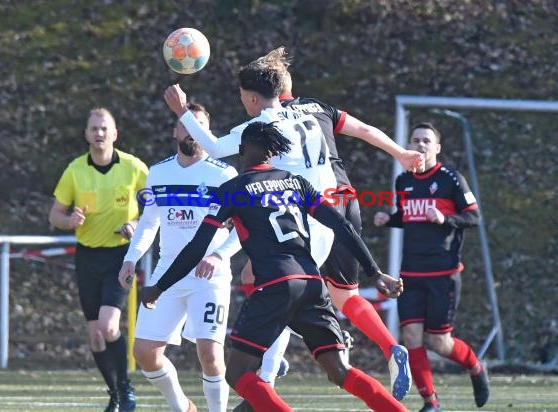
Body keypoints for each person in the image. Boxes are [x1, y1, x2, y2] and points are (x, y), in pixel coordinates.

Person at [140, 121, 408, 412]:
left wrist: (159, 286)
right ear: (273, 152)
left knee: (238, 372)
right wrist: (374, 271)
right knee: (339, 370)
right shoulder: (296, 182)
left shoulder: (234, 189)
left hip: (276, 285)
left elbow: (196, 247)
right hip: (312, 283)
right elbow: (342, 225)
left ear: (242, 151)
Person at [235, 47, 424, 407]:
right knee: (343, 295)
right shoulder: (317, 107)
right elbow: (365, 129)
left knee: (265, 279)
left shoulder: (270, 121)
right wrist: (400, 153)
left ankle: (268, 372)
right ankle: (390, 345)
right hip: (346, 203)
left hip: (310, 209)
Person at [117, 103, 240, 412]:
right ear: (175, 131)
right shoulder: (158, 172)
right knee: (145, 352)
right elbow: (148, 223)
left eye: (198, 125)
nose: (191, 131)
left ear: (208, 132)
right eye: (186, 124)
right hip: (166, 274)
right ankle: (182, 407)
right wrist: (131, 258)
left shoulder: (224, 174)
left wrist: (220, 256)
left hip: (208, 277)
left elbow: (243, 228)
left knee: (210, 355)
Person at [373, 122, 489, 412]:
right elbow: (408, 217)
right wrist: (390, 220)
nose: (420, 145)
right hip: (411, 272)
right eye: (416, 140)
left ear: (437, 148)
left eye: (426, 140)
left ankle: (475, 367)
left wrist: (445, 219)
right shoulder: (403, 181)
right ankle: (431, 402)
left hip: (443, 274)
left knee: (439, 343)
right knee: (411, 336)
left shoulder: (451, 179)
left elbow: (474, 218)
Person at [49, 107, 148, 412]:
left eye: (105, 128)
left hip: (121, 255)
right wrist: (70, 221)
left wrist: (137, 222)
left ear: (115, 134)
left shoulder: (134, 168)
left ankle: (126, 388)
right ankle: (115, 393)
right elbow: (55, 215)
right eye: (94, 128)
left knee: (108, 325)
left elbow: (155, 208)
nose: (99, 133)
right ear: (86, 134)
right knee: (95, 336)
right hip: (88, 257)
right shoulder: (75, 170)